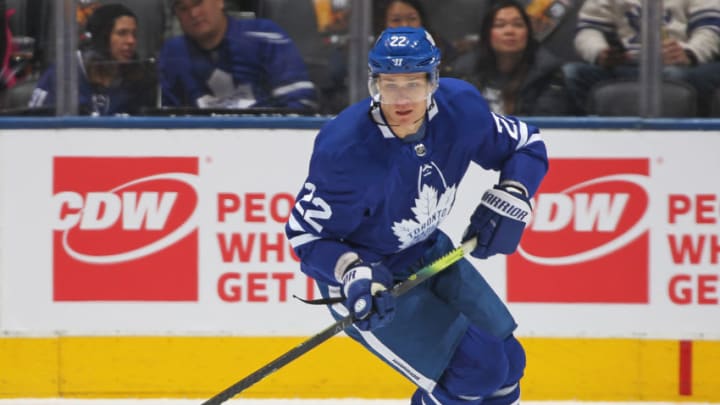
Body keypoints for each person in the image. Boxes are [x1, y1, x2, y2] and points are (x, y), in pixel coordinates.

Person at [285, 27, 548, 405]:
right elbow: (307, 238)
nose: (402, 98)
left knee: (508, 364)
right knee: (477, 371)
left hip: (428, 252)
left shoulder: (461, 109)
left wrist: (514, 193)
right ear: (374, 84)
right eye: (389, 84)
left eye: (414, 83)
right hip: (373, 277)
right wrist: (354, 272)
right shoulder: (345, 148)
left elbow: (526, 143)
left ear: (434, 80)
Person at [562, 0, 720, 116]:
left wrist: (689, 53)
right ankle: (595, 137)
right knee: (572, 73)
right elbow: (588, 29)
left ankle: (686, 137)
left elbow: (711, 28)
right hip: (631, 64)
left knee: (671, 78)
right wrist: (600, 52)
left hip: (689, 66)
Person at [159, 0, 318, 111]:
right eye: (183, 8)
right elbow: (167, 116)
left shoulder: (264, 36)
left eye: (198, 2)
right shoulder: (172, 53)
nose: (193, 13)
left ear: (219, 1)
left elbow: (301, 102)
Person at [28, 3, 157, 115]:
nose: (131, 41)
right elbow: (35, 123)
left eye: (134, 34)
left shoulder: (139, 79)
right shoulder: (63, 73)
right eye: (122, 33)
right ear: (102, 37)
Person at [452, 0, 572, 116]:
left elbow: (549, 124)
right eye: (500, 25)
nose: (509, 31)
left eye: (518, 25)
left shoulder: (547, 73)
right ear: (486, 34)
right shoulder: (465, 72)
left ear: (528, 33)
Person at [374, 0, 460, 76]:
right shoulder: (373, 53)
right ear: (383, 23)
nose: (405, 25)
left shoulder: (441, 49)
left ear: (422, 20)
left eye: (412, 19)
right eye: (396, 20)